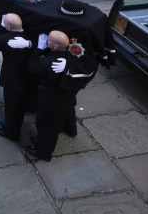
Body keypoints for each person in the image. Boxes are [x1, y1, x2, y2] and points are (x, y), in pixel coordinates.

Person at [25, 30, 97, 162]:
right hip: (66, 100)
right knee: (53, 126)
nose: (47, 41)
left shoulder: (46, 62)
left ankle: (43, 152)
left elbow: (32, 67)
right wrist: (69, 64)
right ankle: (44, 140)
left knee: (45, 126)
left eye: (49, 41)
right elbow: (88, 62)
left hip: (50, 102)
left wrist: (39, 49)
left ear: (55, 47)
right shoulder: (73, 55)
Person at [0, 13, 35, 141]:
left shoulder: (4, 39)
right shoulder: (31, 37)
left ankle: (11, 132)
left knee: (12, 108)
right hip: (29, 77)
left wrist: (1, 27)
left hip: (12, 80)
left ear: (8, 28)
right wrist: (30, 43)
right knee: (21, 104)